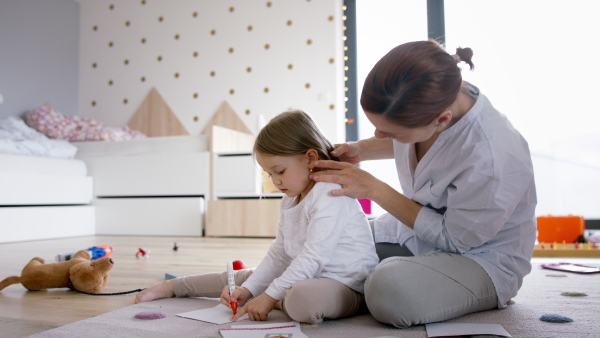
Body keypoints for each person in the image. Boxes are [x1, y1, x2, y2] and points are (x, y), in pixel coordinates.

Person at [310, 40, 537, 327]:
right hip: (417, 235)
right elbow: (411, 141)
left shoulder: (492, 155)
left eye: (389, 131)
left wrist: (374, 189)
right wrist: (361, 150)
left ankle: (355, 288)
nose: (379, 135)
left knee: (389, 290)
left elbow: (456, 240)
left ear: (441, 120)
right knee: (330, 235)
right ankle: (349, 281)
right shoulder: (432, 104)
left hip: (480, 259)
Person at [134, 110, 379, 324]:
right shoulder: (291, 198)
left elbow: (314, 256)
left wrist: (269, 296)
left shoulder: (329, 193)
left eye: (279, 171)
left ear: (311, 158)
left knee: (302, 300)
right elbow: (280, 252)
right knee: (242, 280)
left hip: (345, 286)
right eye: (269, 175)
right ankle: (175, 287)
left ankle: (279, 299)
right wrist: (251, 290)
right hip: (304, 276)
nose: (275, 182)